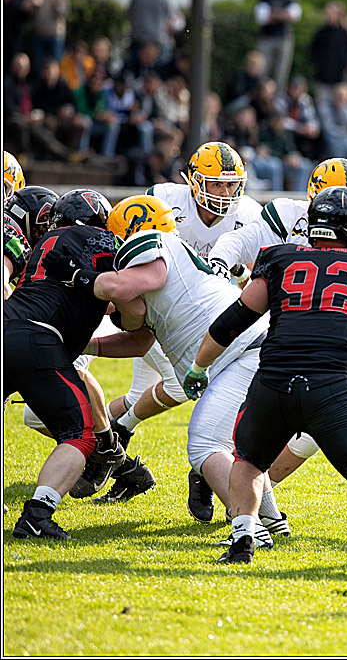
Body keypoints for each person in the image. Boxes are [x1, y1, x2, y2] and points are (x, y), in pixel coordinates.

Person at [185, 186, 347, 581]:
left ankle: (242, 543)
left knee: (249, 459)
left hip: (272, 383)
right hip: (333, 387)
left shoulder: (279, 258)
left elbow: (232, 320)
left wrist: (199, 366)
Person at [66, 194, 287, 548]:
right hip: (245, 350)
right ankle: (272, 519)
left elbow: (120, 288)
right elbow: (138, 338)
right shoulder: (166, 258)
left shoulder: (151, 243)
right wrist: (85, 345)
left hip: (237, 353)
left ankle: (250, 530)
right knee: (234, 444)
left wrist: (81, 278)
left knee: (204, 445)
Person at [209, 158, 347, 491]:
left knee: (307, 433)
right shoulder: (286, 212)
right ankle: (214, 468)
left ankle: (257, 494)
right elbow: (237, 242)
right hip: (269, 326)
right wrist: (220, 268)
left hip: (327, 339)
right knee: (245, 410)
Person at [92, 142, 262, 509]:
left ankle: (116, 446)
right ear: (193, 181)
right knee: (181, 388)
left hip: (210, 317)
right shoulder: (164, 201)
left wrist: (238, 275)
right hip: (163, 314)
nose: (225, 193)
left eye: (231, 185)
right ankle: (116, 446)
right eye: (216, 184)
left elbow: (257, 278)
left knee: (185, 392)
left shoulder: (249, 214)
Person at [5, 189, 126, 540]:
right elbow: (121, 296)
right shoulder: (103, 241)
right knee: (80, 435)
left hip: (7, 323)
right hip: (37, 338)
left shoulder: (45, 242)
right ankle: (37, 515)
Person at [255, 0, 302, 89]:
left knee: (281, 73)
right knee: (261, 70)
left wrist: (273, 14)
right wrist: (283, 14)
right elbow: (262, 17)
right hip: (266, 38)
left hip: (284, 38)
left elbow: (293, 16)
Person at [309, 0, 347, 99]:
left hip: (341, 77)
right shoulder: (321, 32)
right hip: (323, 76)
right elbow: (313, 51)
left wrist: (346, 68)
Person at [24, 0, 69, 71]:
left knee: (56, 67)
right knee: (39, 67)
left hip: (56, 37)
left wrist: (57, 5)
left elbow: (65, 12)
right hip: (39, 35)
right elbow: (25, 13)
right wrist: (33, 5)